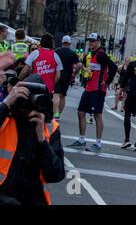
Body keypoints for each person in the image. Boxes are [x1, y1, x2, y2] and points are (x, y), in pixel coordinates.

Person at [0, 75, 65, 205]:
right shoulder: (6, 118)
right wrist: (6, 103)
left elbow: (55, 174)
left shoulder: (49, 128)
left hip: (33, 197)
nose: (28, 108)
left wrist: (41, 139)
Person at [68, 33, 118, 153]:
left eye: (93, 41)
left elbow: (113, 67)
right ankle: (81, 139)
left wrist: (106, 82)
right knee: (81, 112)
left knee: (97, 115)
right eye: (89, 41)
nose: (90, 43)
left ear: (98, 42)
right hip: (89, 87)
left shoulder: (101, 54)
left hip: (98, 89)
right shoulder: (91, 54)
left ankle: (98, 143)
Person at [52, 36, 81, 121]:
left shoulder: (56, 51)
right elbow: (79, 65)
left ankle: (55, 113)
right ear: (69, 43)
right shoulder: (73, 53)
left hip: (57, 74)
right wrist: (74, 74)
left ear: (62, 42)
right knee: (63, 96)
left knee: (56, 94)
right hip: (67, 76)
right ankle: (58, 114)